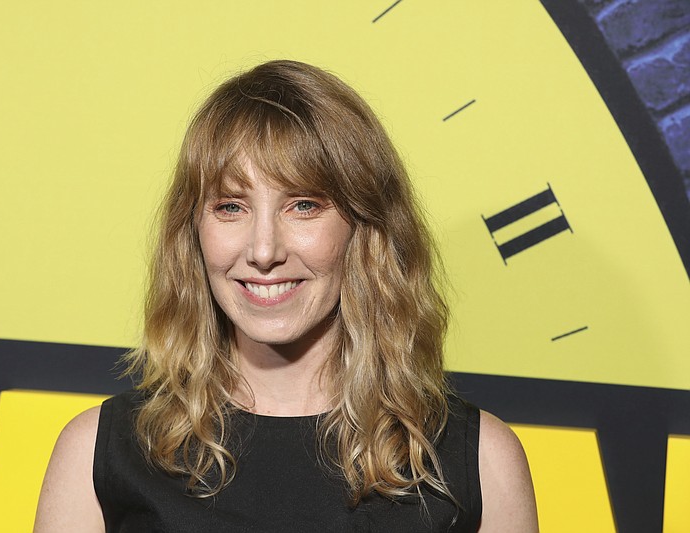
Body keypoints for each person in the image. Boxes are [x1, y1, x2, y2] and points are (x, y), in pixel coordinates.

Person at [34, 59, 538, 532]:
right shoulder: (98, 455)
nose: (263, 250)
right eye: (231, 207)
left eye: (302, 205)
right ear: (193, 231)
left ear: (364, 230)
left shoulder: (478, 461)